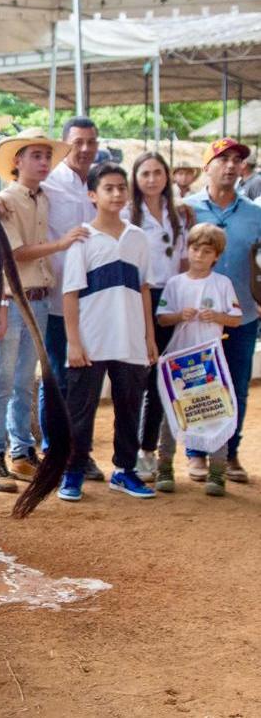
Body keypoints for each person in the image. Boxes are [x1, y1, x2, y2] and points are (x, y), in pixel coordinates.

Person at [0, 129, 79, 493]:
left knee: (24, 379)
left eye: (46, 156)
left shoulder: (44, 198)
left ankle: (20, 451)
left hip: (38, 298)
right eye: (35, 155)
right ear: (17, 162)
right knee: (3, 380)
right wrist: (60, 244)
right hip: (15, 296)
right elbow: (15, 252)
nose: (43, 162)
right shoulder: (7, 199)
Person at [57, 162, 159, 502]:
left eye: (121, 188)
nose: (116, 194)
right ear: (92, 195)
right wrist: (74, 341)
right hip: (90, 341)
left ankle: (124, 470)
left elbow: (143, 289)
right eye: (108, 189)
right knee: (80, 411)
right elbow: (70, 293)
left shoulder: (138, 238)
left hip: (130, 341)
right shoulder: (82, 239)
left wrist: (149, 338)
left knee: (130, 407)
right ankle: (73, 471)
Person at [181, 137, 261, 483]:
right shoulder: (185, 209)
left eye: (236, 160)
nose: (230, 166)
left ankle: (229, 454)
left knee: (237, 386)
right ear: (207, 167)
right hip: (197, 317)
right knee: (198, 383)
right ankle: (196, 453)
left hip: (241, 315)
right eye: (222, 159)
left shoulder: (255, 214)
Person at [155, 223, 242, 495]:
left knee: (216, 411)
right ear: (187, 250)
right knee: (172, 414)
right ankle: (164, 466)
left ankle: (217, 473)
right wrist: (180, 315)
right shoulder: (175, 283)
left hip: (209, 362)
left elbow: (236, 318)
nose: (199, 256)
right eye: (195, 249)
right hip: (178, 361)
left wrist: (216, 317)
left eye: (207, 252)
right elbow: (162, 317)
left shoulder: (222, 283)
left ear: (216, 256)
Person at [38, 116, 102, 478]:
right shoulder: (47, 184)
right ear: (65, 145)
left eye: (91, 142)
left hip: (94, 301)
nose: (85, 149)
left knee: (85, 379)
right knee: (57, 378)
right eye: (77, 142)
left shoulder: (99, 184)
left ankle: (79, 452)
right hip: (55, 299)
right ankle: (54, 451)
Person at [123, 152, 191, 482]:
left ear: (167, 176)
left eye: (158, 173)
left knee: (161, 378)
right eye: (145, 173)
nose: (152, 179)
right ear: (135, 179)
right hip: (137, 299)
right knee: (136, 376)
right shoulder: (125, 215)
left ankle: (148, 450)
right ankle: (128, 452)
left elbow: (183, 261)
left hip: (171, 300)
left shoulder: (179, 214)